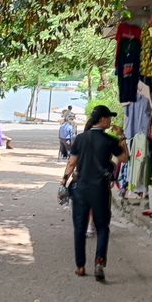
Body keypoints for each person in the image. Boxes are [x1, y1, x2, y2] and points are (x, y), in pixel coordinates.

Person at [60, 105, 129, 281]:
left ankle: (80, 266)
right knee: (102, 226)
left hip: (80, 189)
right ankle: (99, 262)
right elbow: (124, 158)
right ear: (102, 119)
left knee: (80, 228)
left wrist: (63, 182)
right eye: (109, 118)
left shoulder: (80, 139)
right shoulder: (109, 140)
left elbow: (71, 162)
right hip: (100, 190)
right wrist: (121, 137)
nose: (110, 121)